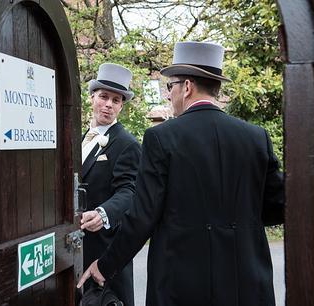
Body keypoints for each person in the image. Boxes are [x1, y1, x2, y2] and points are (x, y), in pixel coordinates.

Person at [77, 42, 284, 306]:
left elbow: (142, 217)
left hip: (180, 282)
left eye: (169, 87)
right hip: (245, 280)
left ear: (186, 87)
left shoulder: (161, 137)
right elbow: (277, 206)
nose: (168, 95)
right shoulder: (257, 137)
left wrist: (105, 265)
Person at [80, 63, 141, 305]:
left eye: (116, 100)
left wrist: (104, 212)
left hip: (105, 248)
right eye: (104, 97)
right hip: (74, 246)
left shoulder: (128, 144)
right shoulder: (79, 137)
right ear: (92, 97)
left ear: (121, 106)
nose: (108, 104)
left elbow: (130, 191)